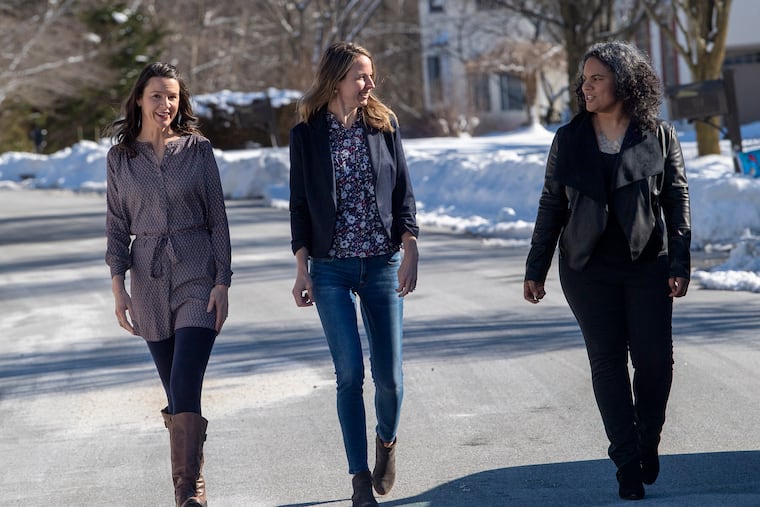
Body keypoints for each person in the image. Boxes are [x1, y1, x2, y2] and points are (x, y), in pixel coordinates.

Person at [523, 41, 690, 501]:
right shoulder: (569, 138)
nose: (586, 86)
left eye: (597, 77)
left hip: (648, 264)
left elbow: (676, 200)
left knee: (655, 360)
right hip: (586, 268)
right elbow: (551, 204)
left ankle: (646, 439)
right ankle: (626, 462)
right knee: (608, 362)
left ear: (624, 82)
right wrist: (535, 267)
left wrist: (679, 260)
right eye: (584, 78)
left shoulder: (658, 136)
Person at [289, 41, 419, 507]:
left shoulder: (384, 126)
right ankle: (359, 478)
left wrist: (411, 247)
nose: (369, 84)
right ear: (336, 79)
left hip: (382, 264)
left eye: (371, 76)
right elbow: (299, 205)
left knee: (391, 378)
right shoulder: (306, 133)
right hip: (330, 270)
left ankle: (386, 441)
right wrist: (302, 268)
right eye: (361, 76)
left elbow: (403, 189)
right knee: (349, 374)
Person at [105, 62, 232, 507]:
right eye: (157, 95)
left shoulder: (197, 150)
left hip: (198, 270)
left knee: (185, 379)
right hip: (150, 280)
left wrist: (222, 282)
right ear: (139, 98)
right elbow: (117, 228)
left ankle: (185, 491)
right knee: (175, 392)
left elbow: (218, 218)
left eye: (173, 97)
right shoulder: (120, 159)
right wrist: (119, 288)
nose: (166, 104)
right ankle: (193, 470)